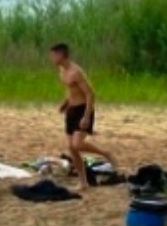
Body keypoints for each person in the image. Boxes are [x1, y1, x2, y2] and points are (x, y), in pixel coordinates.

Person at [49, 42, 117, 185]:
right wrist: (65, 103)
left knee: (78, 144)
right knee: (72, 149)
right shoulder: (61, 71)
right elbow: (70, 90)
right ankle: (83, 183)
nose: (51, 58)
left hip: (83, 109)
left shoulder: (76, 72)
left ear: (61, 55)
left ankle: (106, 153)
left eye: (54, 55)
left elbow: (90, 94)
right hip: (71, 111)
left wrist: (86, 116)